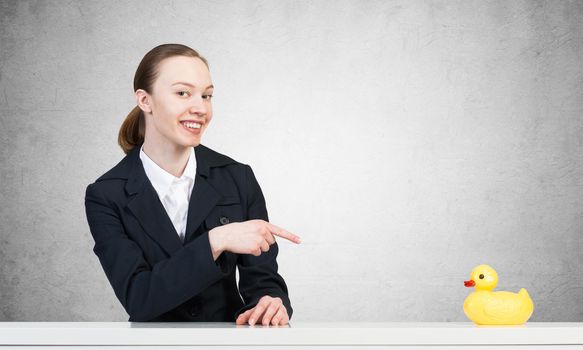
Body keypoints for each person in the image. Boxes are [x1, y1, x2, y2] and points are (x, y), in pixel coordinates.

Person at [84, 43, 301, 325]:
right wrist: (216, 240)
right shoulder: (106, 194)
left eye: (207, 95)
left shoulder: (238, 178)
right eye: (183, 93)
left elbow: (262, 278)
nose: (200, 108)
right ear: (144, 100)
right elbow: (140, 298)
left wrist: (271, 301)